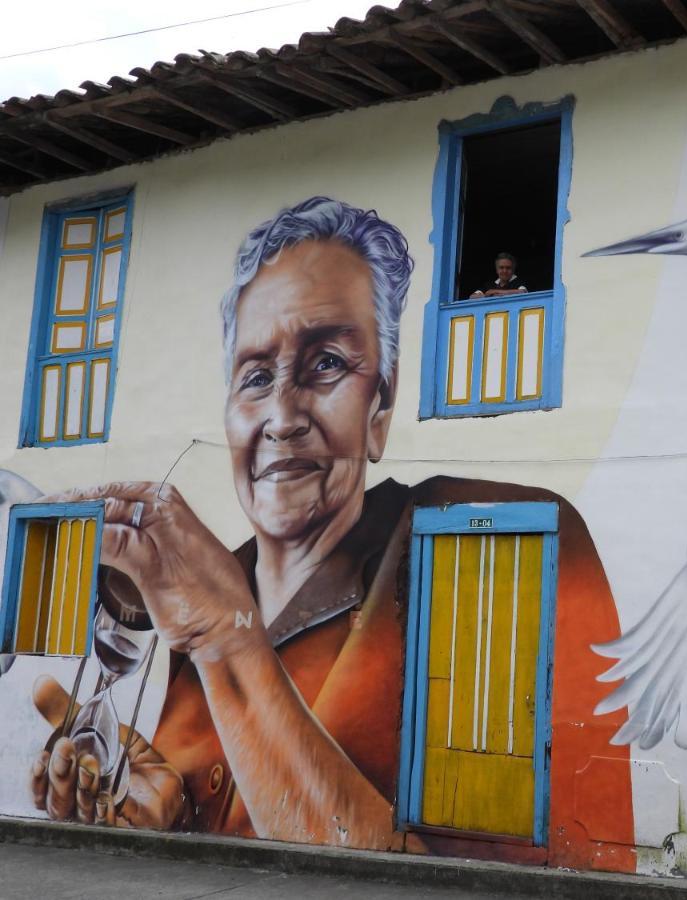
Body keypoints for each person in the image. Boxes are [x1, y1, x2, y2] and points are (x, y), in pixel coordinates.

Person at [27, 198, 633, 866]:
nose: (283, 417)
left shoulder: (503, 540)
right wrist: (169, 815)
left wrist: (229, 640)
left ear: (382, 406)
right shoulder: (201, 599)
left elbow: (577, 866)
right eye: (256, 377)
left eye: (326, 365)